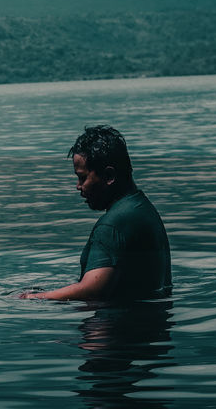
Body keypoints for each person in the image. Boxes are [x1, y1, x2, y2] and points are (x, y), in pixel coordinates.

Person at [23, 125, 170, 302]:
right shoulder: (143, 209)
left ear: (109, 176)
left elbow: (92, 291)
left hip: (117, 327)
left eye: (82, 177)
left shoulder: (113, 224)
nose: (78, 186)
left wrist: (34, 297)